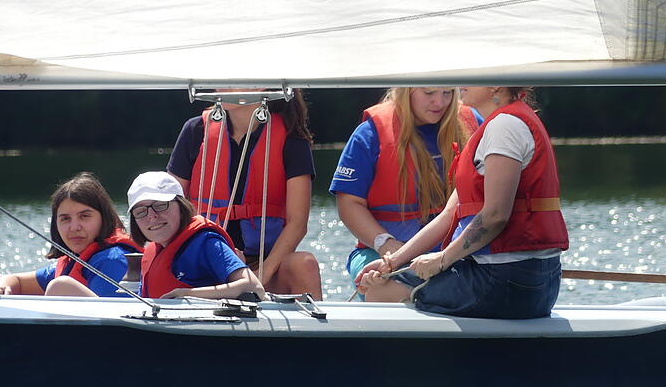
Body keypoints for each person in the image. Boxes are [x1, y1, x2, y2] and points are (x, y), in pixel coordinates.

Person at [357, 87, 568, 319]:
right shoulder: (502, 123)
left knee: (381, 290)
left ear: (495, 86)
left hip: (504, 281)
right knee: (389, 280)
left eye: (472, 76)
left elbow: (496, 215)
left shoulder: (504, 126)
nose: (461, 84)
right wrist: (391, 262)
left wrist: (442, 259)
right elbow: (450, 214)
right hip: (531, 282)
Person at [167, 89, 322, 299]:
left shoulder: (291, 137)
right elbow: (169, 208)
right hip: (205, 260)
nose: (221, 87)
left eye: (230, 80)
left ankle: (308, 330)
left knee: (305, 264)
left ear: (264, 88)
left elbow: (297, 223)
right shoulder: (196, 131)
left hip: (264, 263)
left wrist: (258, 277)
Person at [330, 87, 481, 289]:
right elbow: (349, 203)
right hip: (380, 252)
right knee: (383, 289)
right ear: (406, 90)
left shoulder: (474, 123)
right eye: (429, 93)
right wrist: (386, 245)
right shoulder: (369, 134)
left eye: (447, 93)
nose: (439, 102)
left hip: (454, 254)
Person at [0, 172, 142, 297]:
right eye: (65, 219)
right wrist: (4, 287)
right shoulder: (73, 261)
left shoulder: (113, 260)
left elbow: (109, 321)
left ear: (103, 218)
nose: (74, 227)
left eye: (84, 216)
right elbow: (16, 280)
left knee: (60, 286)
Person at [128, 171, 265, 300]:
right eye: (140, 212)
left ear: (181, 206)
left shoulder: (207, 243)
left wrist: (186, 295)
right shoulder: (151, 254)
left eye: (160, 205)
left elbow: (253, 287)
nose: (152, 216)